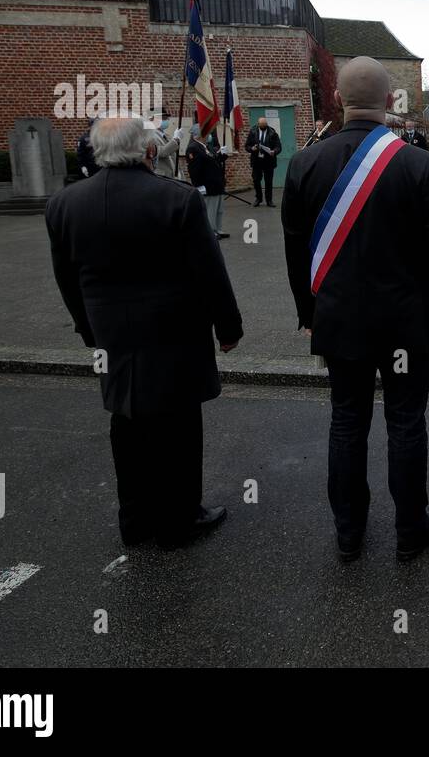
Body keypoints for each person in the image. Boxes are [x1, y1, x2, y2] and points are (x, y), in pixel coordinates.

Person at [282, 56, 429, 563]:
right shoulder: (416, 164)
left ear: (337, 100)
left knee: (347, 420)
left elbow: (296, 250)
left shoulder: (303, 164)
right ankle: (410, 528)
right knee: (406, 421)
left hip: (338, 320)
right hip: (404, 321)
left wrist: (307, 312)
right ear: (390, 101)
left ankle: (349, 532)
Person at [45, 113, 242, 549]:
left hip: (110, 331)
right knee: (179, 426)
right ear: (148, 149)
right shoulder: (178, 199)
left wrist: (87, 329)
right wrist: (228, 327)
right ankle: (179, 519)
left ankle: (134, 519)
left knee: (127, 421)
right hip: (173, 329)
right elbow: (210, 272)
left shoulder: (64, 204)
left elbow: (67, 279)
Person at [187, 124, 229, 239]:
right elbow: (194, 169)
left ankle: (218, 229)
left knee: (219, 209)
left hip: (217, 184)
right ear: (198, 135)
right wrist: (199, 186)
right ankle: (210, 231)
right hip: (207, 185)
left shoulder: (206, 147)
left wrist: (222, 154)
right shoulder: (193, 148)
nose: (209, 135)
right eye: (206, 132)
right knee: (210, 209)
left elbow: (214, 161)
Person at [244, 116, 282, 207]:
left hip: (269, 161)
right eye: (261, 125)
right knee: (256, 180)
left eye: (265, 125)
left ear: (266, 124)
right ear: (258, 124)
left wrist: (274, 151)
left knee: (268, 181)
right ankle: (258, 198)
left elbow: (278, 147)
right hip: (257, 160)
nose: (263, 126)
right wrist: (252, 148)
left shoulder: (273, 133)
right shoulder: (253, 132)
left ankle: (269, 200)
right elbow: (247, 146)